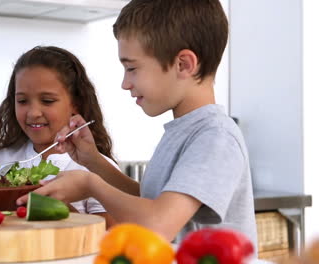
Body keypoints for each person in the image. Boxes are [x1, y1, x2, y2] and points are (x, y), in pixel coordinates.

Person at [17, 0, 258, 247]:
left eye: (132, 68)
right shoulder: (184, 131)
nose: (125, 83)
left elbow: (158, 224)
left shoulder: (215, 136)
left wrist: (90, 184)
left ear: (183, 64)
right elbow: (149, 201)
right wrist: (93, 161)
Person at [0, 46, 117, 227]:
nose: (32, 113)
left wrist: (55, 208)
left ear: (76, 104)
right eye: (22, 101)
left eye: (47, 101)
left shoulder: (99, 169)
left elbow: (116, 231)